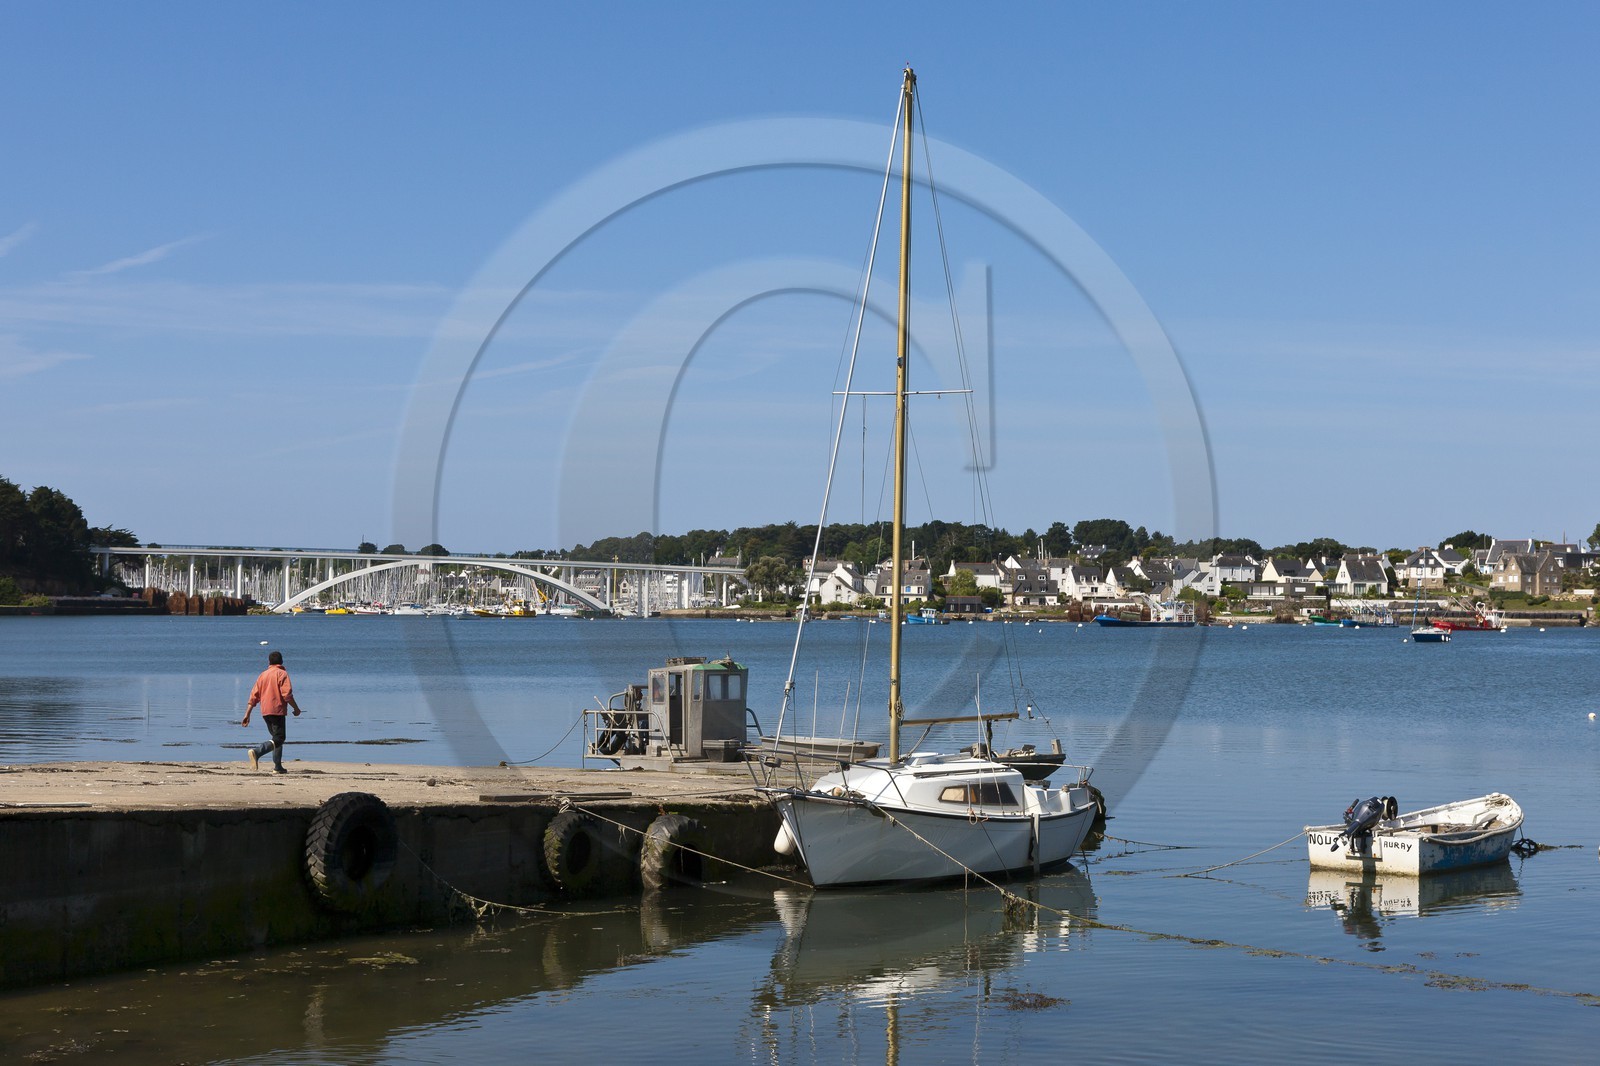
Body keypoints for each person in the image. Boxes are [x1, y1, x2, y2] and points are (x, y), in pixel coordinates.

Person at [241, 650, 301, 773]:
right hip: (277, 710)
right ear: (282, 661)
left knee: (275, 739)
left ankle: (277, 767)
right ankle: (257, 752)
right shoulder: (282, 674)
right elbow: (287, 695)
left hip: (265, 712)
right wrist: (296, 708)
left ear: (269, 662)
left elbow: (253, 696)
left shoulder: (263, 675)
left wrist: (247, 714)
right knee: (280, 738)